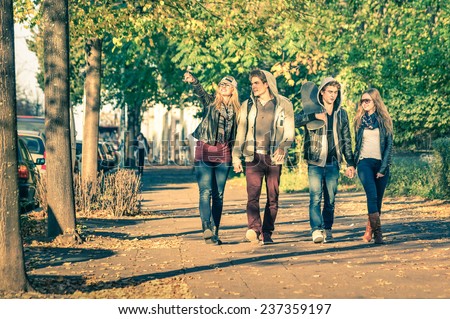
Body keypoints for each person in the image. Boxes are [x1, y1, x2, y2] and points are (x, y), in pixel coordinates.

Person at [232, 69, 295, 245]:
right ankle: (254, 228)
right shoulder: (248, 105)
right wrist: (236, 157)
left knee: (272, 198)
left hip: (274, 157)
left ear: (266, 83)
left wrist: (283, 146)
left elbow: (290, 131)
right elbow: (241, 132)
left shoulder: (283, 104)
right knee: (252, 196)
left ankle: (267, 232)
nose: (253, 87)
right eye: (252, 83)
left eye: (256, 83)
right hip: (253, 157)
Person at [295, 77, 355, 244]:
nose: (333, 95)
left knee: (330, 199)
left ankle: (327, 228)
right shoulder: (312, 109)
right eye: (330, 92)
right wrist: (314, 116)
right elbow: (295, 121)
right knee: (315, 197)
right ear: (322, 92)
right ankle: (316, 229)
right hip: (315, 161)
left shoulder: (341, 113)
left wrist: (350, 163)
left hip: (333, 162)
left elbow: (346, 139)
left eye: (336, 92)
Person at [184, 71, 240, 245]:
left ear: (233, 90)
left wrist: (239, 156)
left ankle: (215, 231)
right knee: (205, 191)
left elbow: (239, 133)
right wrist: (194, 81)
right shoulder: (210, 103)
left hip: (224, 152)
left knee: (219, 195)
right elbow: (200, 92)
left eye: (227, 85)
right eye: (221, 84)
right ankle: (206, 227)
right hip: (205, 149)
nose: (223, 87)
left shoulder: (238, 110)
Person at [354, 88, 393, 244]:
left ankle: (369, 230)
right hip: (364, 162)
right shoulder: (358, 120)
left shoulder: (384, 121)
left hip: (380, 163)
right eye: (362, 101)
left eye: (367, 100)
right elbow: (356, 144)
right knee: (371, 195)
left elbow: (389, 146)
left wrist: (383, 169)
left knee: (378, 200)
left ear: (375, 101)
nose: (364, 103)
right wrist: (352, 163)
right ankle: (378, 234)